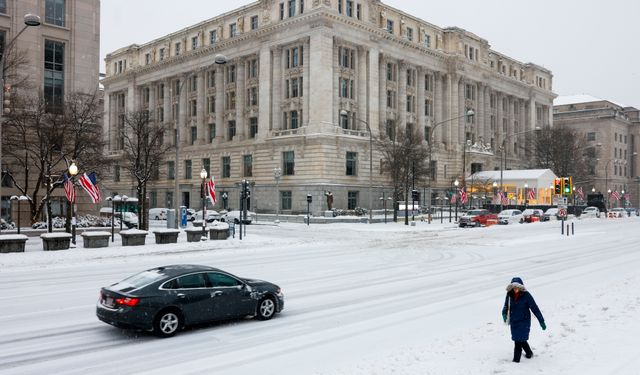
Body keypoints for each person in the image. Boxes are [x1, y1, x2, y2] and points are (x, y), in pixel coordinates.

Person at [501, 277, 546, 363]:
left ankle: (516, 361)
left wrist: (541, 321)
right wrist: (504, 313)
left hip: (524, 322)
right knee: (520, 339)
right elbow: (506, 306)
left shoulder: (526, 295)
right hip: (514, 322)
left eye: (517, 287)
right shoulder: (509, 295)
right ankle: (529, 353)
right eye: (514, 287)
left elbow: (535, 308)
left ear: (521, 287)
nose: (515, 289)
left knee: (518, 342)